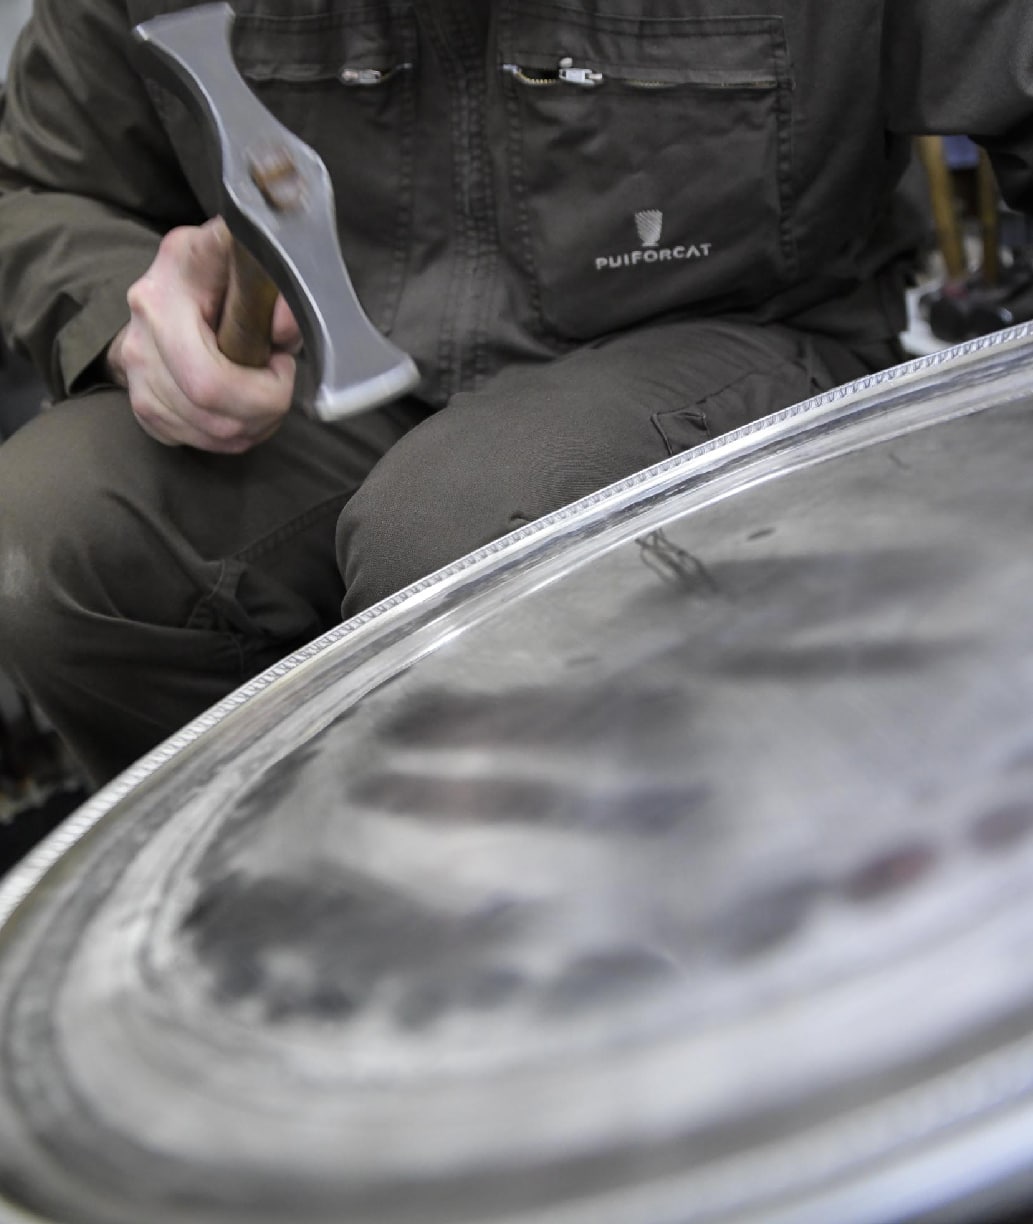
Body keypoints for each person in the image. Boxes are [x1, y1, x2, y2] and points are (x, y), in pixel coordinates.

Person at [0, 0, 1031, 788]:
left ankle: (649, 932)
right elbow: (42, 184)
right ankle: (279, 922)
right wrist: (123, 315)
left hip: (736, 343)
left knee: (474, 532)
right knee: (48, 536)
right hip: (332, 377)